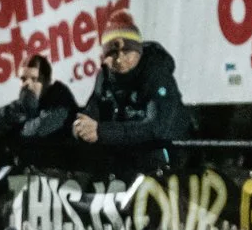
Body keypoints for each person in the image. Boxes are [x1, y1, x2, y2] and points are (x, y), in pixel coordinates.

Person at [70, 10, 190, 181]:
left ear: (138, 51)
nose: (119, 59)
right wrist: (80, 127)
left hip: (168, 166)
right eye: (112, 53)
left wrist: (102, 132)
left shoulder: (156, 73)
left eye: (127, 51)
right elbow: (92, 110)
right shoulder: (104, 77)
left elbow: (157, 128)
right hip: (125, 165)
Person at [0, 52, 79, 169]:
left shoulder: (61, 101)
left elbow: (36, 132)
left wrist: (12, 131)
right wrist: (18, 110)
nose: (27, 84)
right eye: (23, 79)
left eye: (34, 79)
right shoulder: (23, 105)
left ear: (47, 81)